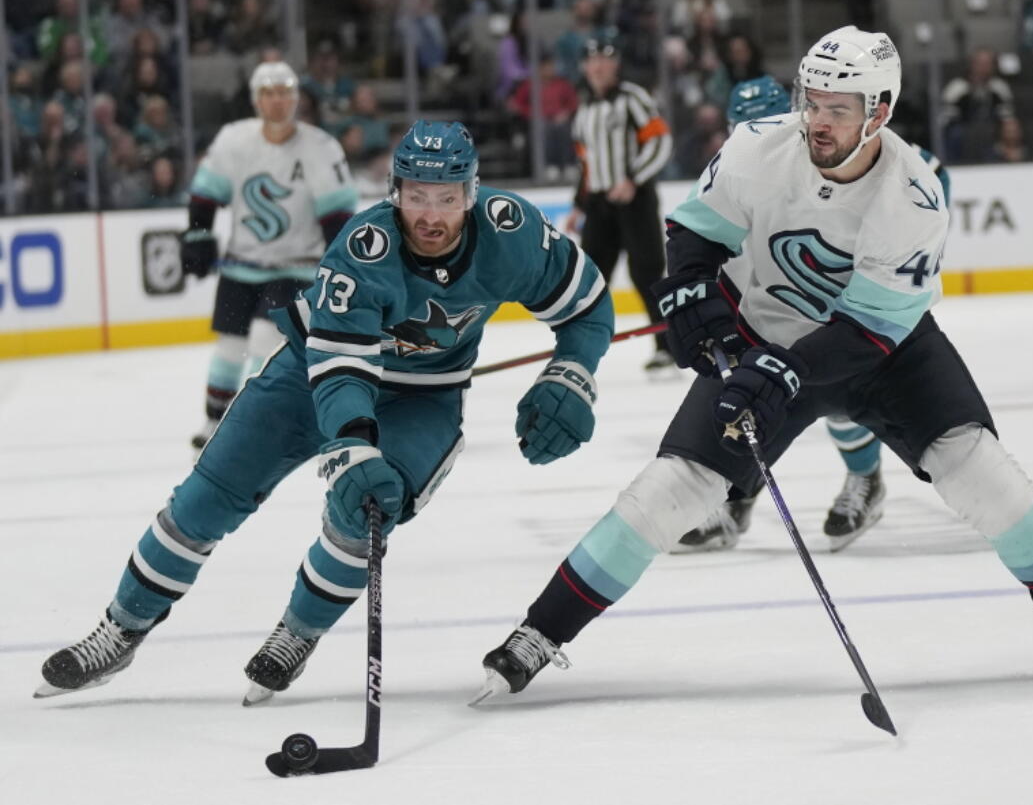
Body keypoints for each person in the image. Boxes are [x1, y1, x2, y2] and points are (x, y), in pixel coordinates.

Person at [471, 26, 1033, 704]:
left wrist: (785, 369)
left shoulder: (914, 193)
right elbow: (693, 233)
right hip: (764, 337)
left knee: (981, 472)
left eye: (839, 107)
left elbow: (866, 330)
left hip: (887, 353)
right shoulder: (756, 146)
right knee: (670, 489)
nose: (817, 119)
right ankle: (541, 629)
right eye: (812, 100)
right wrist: (690, 297)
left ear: (879, 113)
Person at [34, 120, 614, 703]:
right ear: (395, 191)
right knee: (204, 500)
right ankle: (120, 629)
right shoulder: (366, 249)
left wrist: (571, 372)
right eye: (416, 196)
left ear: (472, 193)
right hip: (308, 376)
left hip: (424, 398)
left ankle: (298, 632)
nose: (430, 215)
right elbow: (341, 371)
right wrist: (353, 442)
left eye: (446, 198)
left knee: (364, 514)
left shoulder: (510, 234)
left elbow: (587, 306)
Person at [675, 74, 952, 554]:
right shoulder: (742, 166)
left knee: (840, 400)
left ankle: (864, 481)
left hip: (854, 308)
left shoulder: (836, 155)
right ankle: (738, 496)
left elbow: (930, 174)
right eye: (743, 124)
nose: (754, 133)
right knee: (747, 398)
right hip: (777, 304)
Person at [180, 62, 359, 449]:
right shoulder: (234, 140)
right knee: (228, 347)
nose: (278, 101)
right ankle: (214, 423)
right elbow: (206, 191)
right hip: (242, 264)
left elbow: (338, 216)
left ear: (296, 98)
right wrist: (198, 232)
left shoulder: (320, 148)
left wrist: (342, 263)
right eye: (269, 93)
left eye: (285, 93)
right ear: (256, 99)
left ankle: (253, 421)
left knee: (264, 341)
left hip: (298, 268)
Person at [567, 33, 675, 375]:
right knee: (590, 278)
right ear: (584, 66)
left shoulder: (632, 98)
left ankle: (666, 348)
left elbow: (659, 141)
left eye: (605, 60)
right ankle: (579, 348)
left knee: (646, 273)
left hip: (635, 200)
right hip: (600, 204)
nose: (598, 67)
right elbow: (586, 164)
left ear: (615, 65)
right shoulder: (584, 110)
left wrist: (633, 179)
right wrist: (579, 205)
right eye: (592, 60)